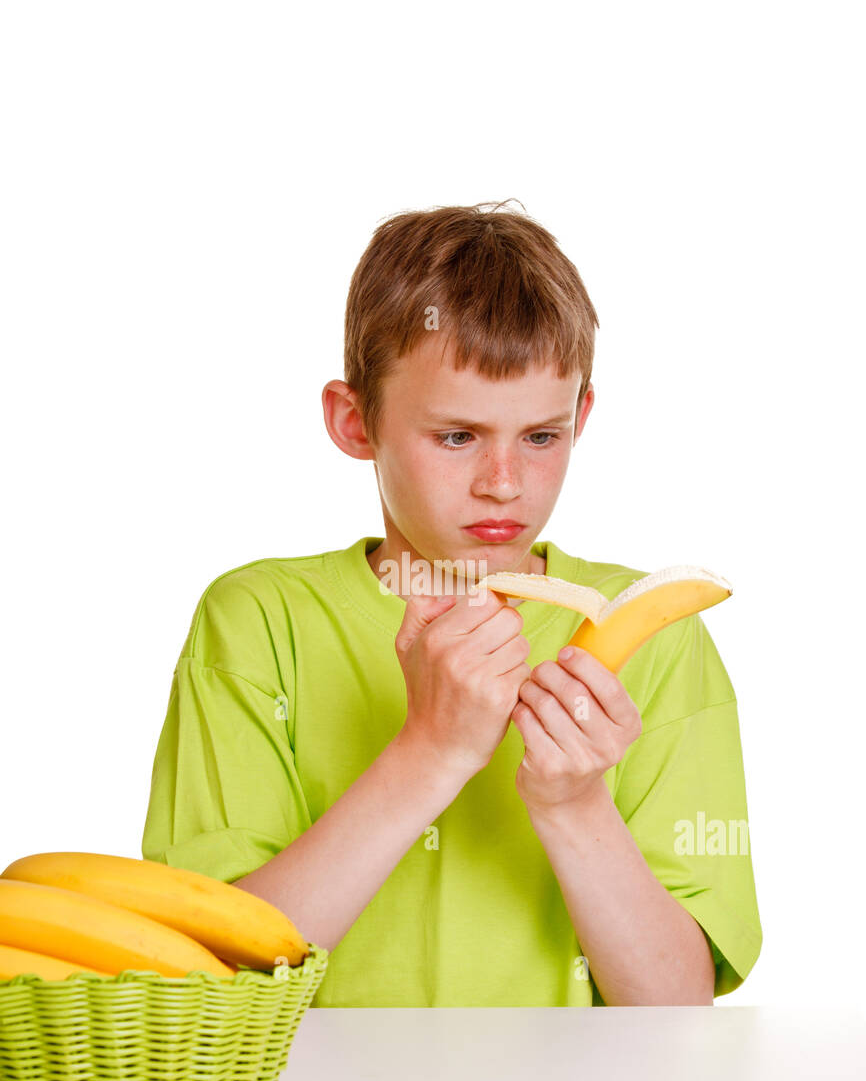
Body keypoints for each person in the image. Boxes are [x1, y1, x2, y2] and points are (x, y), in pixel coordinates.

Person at [141, 200, 762, 1007]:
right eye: (457, 436)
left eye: (540, 437)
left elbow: (677, 1007)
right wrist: (431, 750)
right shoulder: (257, 621)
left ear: (582, 418)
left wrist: (575, 804)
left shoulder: (649, 635)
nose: (502, 483)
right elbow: (211, 971)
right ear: (355, 420)